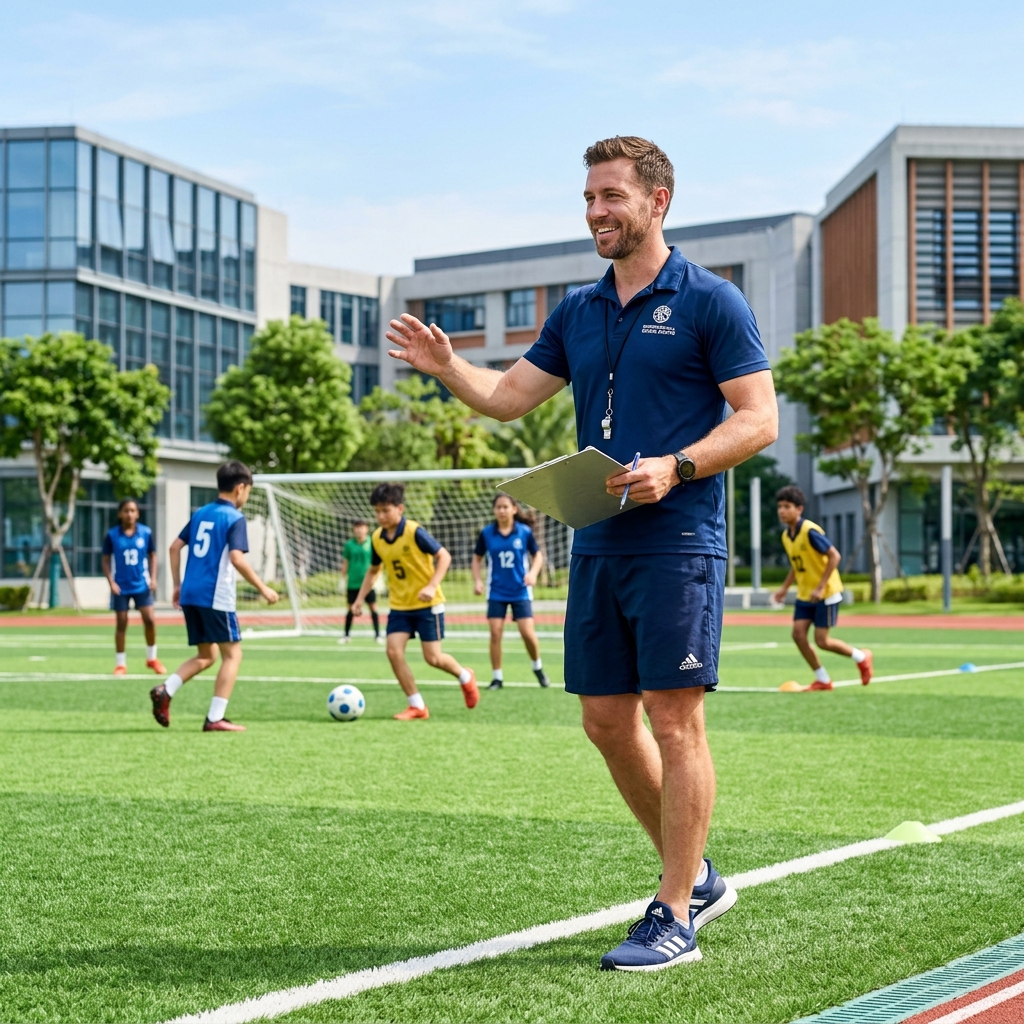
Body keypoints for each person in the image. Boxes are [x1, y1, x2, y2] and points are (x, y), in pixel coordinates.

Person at [385, 136, 778, 970]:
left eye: (612, 196)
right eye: (589, 198)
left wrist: (677, 465)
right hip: (597, 538)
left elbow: (759, 419)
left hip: (678, 541)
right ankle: (697, 875)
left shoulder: (711, 301)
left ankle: (675, 912)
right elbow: (506, 398)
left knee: (674, 719)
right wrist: (448, 367)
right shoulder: (577, 311)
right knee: (605, 720)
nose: (596, 211)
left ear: (658, 201)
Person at [149, 460, 279, 732]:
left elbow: (174, 548)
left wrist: (177, 585)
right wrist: (263, 588)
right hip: (215, 596)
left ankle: (166, 690)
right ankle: (215, 718)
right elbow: (237, 558)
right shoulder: (234, 518)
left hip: (191, 594)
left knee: (207, 655)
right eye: (248, 491)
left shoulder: (201, 513)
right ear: (240, 488)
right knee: (233, 655)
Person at [351, 482, 478, 720]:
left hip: (428, 605)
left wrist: (431, 586)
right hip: (400, 607)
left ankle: (465, 676)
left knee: (433, 658)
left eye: (385, 510)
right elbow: (374, 570)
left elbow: (444, 556)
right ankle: (417, 705)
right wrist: (359, 599)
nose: (381, 516)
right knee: (393, 652)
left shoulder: (414, 531)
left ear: (399, 508)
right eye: (377, 511)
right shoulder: (377, 538)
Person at [772, 486, 873, 691]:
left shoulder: (810, 531)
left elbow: (834, 556)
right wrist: (784, 589)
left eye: (787, 506)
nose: (782, 511)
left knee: (822, 641)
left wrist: (820, 587)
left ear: (799, 509)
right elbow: (797, 565)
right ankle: (823, 679)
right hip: (806, 594)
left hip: (826, 593)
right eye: (780, 506)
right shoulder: (786, 536)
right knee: (798, 635)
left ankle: (861, 657)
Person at [472, 493, 550, 689]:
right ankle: (497, 677)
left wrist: (533, 573)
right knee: (495, 633)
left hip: (520, 590)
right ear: (494, 510)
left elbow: (538, 555)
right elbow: (476, 558)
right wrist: (477, 580)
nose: (502, 510)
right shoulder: (487, 533)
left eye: (505, 507)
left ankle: (537, 666)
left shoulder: (524, 532)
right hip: (496, 591)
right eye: (498, 507)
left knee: (527, 633)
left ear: (514, 509)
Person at [101, 498, 166, 676]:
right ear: (120, 514)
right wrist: (111, 582)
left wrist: (153, 578)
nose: (129, 514)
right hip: (121, 586)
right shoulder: (112, 535)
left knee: (150, 619)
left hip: (141, 584)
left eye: (133, 510)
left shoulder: (145, 533)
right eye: (126, 510)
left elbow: (153, 555)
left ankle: (152, 658)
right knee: (122, 623)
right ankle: (120, 664)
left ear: (137, 513)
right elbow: (105, 560)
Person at [339, 519, 382, 644]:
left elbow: (378, 563)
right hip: (353, 582)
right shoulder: (349, 545)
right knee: (350, 609)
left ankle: (378, 635)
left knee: (373, 607)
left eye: (361, 527)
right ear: (353, 529)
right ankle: (346, 635)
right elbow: (345, 562)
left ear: (366, 529)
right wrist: (342, 578)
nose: (359, 530)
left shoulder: (372, 542)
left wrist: (378, 578)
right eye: (357, 527)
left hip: (369, 583)